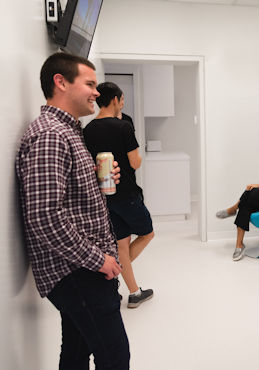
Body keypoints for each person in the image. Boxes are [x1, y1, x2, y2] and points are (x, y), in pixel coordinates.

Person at [16, 52, 129, 368]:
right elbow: (45, 217)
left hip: (81, 268)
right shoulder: (51, 135)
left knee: (77, 353)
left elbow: (62, 198)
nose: (97, 92)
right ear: (61, 82)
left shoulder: (68, 130)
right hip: (78, 272)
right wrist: (99, 260)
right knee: (115, 357)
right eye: (90, 84)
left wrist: (93, 176)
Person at [84, 82, 155, 309]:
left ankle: (134, 292)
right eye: (121, 99)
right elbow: (135, 163)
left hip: (104, 197)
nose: (122, 102)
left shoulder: (87, 130)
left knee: (120, 245)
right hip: (127, 194)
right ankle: (111, 276)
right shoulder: (123, 127)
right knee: (147, 233)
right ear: (115, 100)